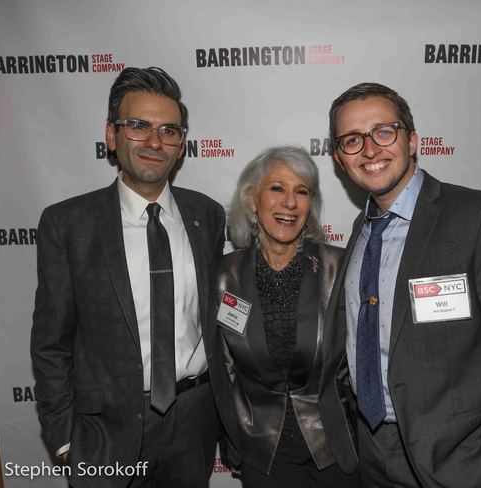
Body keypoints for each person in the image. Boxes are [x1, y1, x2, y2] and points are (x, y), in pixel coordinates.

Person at [327, 82, 481, 488]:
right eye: (352, 140)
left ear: (412, 140)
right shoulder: (360, 233)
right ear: (339, 159)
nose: (370, 149)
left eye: (384, 131)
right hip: (370, 454)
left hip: (459, 462)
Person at [30, 67, 225, 488]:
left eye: (168, 130)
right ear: (111, 134)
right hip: (104, 434)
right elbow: (50, 344)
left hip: (193, 424)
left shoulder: (207, 217)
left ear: (182, 144)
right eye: (138, 126)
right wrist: (64, 442)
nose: (154, 142)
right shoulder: (68, 225)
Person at [205, 146, 359, 488]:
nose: (289, 203)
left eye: (301, 192)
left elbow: (358, 360)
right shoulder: (224, 275)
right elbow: (224, 370)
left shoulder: (339, 266)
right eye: (277, 188)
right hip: (262, 451)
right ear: (252, 200)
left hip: (335, 447)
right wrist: (232, 440)